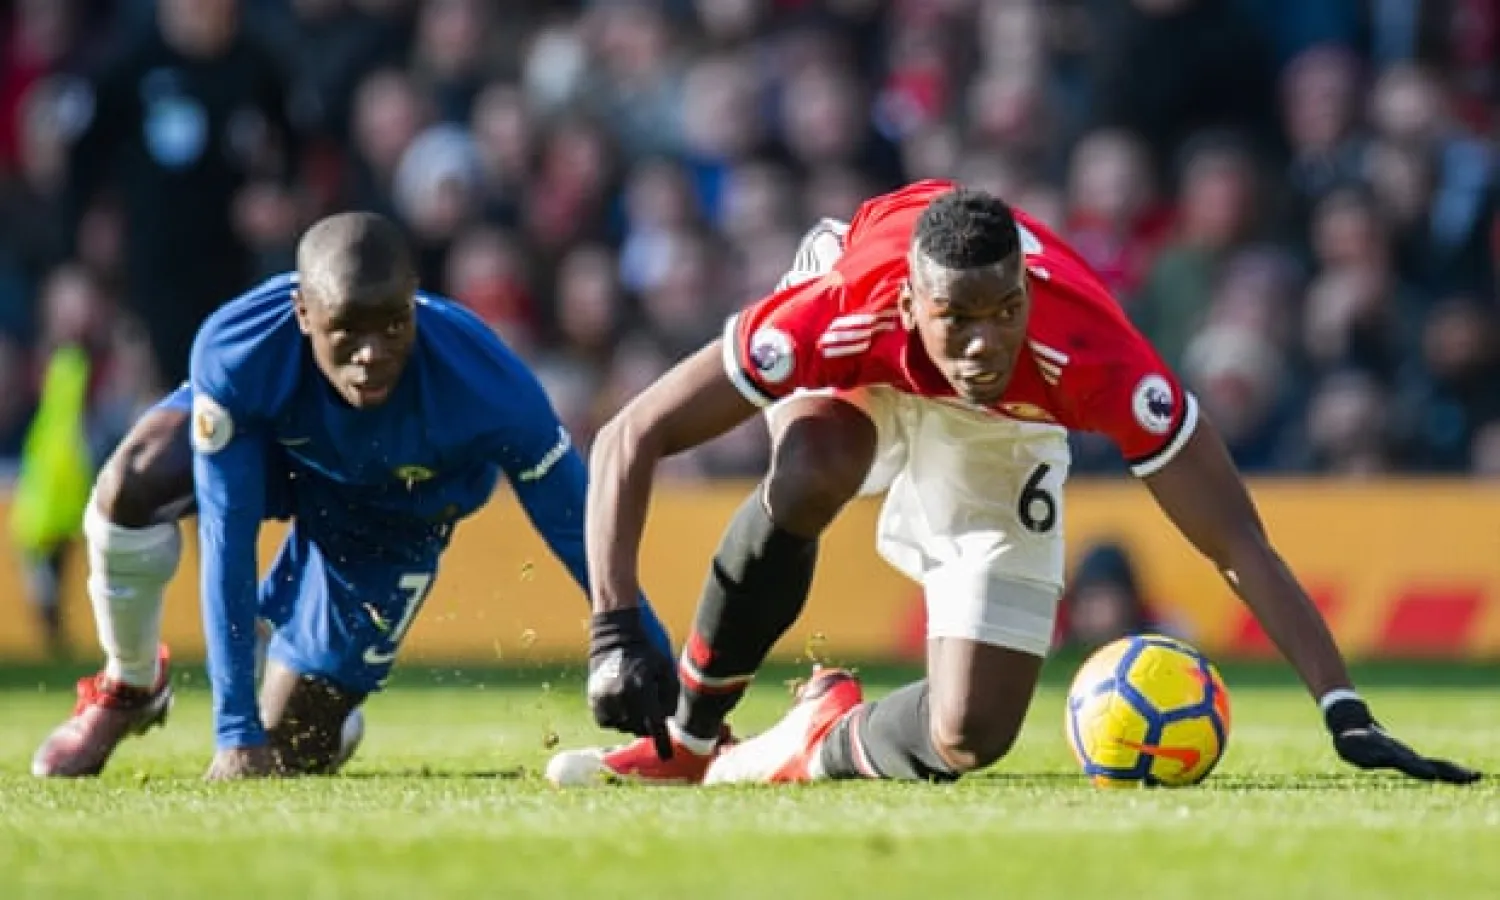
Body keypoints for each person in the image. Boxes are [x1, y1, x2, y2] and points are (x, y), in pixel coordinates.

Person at [547, 180, 1479, 788]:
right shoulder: (831, 314)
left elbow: (1235, 540)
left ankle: (810, 741)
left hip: (1004, 433)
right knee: (816, 464)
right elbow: (635, 432)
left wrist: (1342, 708)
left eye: (1005, 311)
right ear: (916, 304)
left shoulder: (1094, 357)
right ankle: (690, 739)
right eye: (959, 319)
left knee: (968, 735)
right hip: (870, 355)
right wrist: (613, 628)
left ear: (1027, 293)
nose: (986, 341)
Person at [33, 212, 673, 779]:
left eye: (392, 327)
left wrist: (652, 663)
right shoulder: (240, 350)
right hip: (283, 459)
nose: (370, 354)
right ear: (303, 313)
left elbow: (576, 525)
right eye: (347, 330)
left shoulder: (489, 386)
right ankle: (129, 685)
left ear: (415, 307)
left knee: (291, 749)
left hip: (391, 520)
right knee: (133, 477)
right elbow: (227, 532)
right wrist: (233, 733)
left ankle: (318, 691)